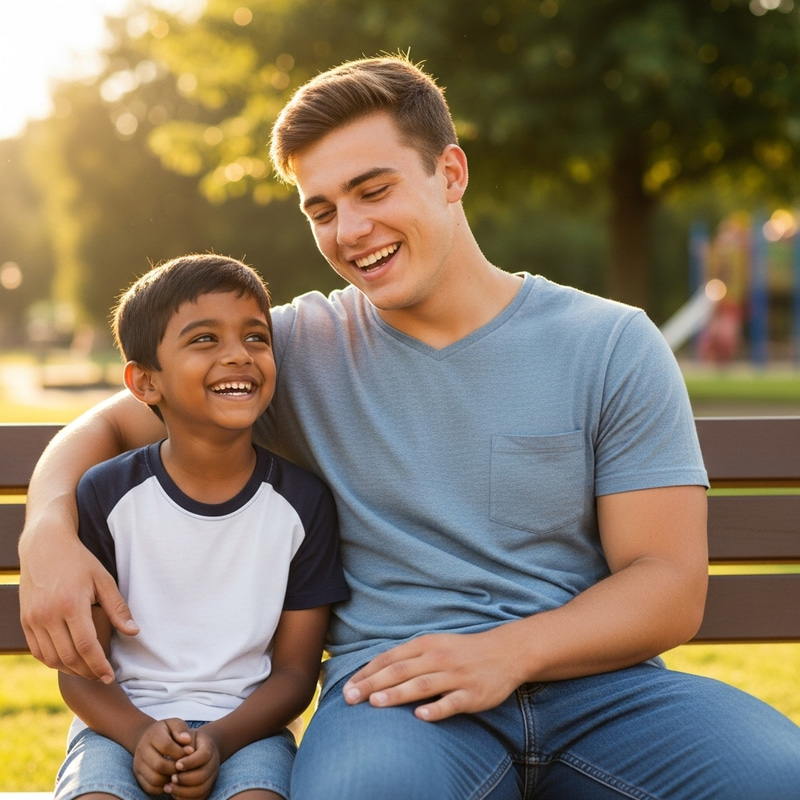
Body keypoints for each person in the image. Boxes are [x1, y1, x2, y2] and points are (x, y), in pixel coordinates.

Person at [20, 56, 800, 799]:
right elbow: (106, 427)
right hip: (396, 698)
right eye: (322, 209)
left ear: (450, 173)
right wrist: (47, 532)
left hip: (604, 693)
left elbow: (667, 584)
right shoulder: (288, 350)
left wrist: (506, 653)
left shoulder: (609, 343)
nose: (350, 229)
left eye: (373, 190)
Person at [51, 254, 349, 800]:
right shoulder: (106, 495)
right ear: (146, 382)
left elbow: (294, 675)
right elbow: (80, 671)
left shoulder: (303, 504)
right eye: (205, 339)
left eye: (256, 337)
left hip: (248, 731)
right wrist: (139, 734)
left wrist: (217, 739)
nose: (239, 354)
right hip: (118, 727)